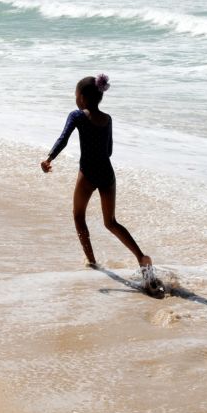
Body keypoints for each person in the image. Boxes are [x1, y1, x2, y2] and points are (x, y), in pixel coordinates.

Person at [40, 74, 163, 294]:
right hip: (107, 173)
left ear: (83, 98)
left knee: (79, 216)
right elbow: (109, 151)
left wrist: (49, 158)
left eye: (76, 94)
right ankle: (142, 258)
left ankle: (93, 262)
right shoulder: (107, 119)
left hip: (88, 173)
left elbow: (63, 139)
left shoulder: (76, 115)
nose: (75, 98)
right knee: (111, 222)